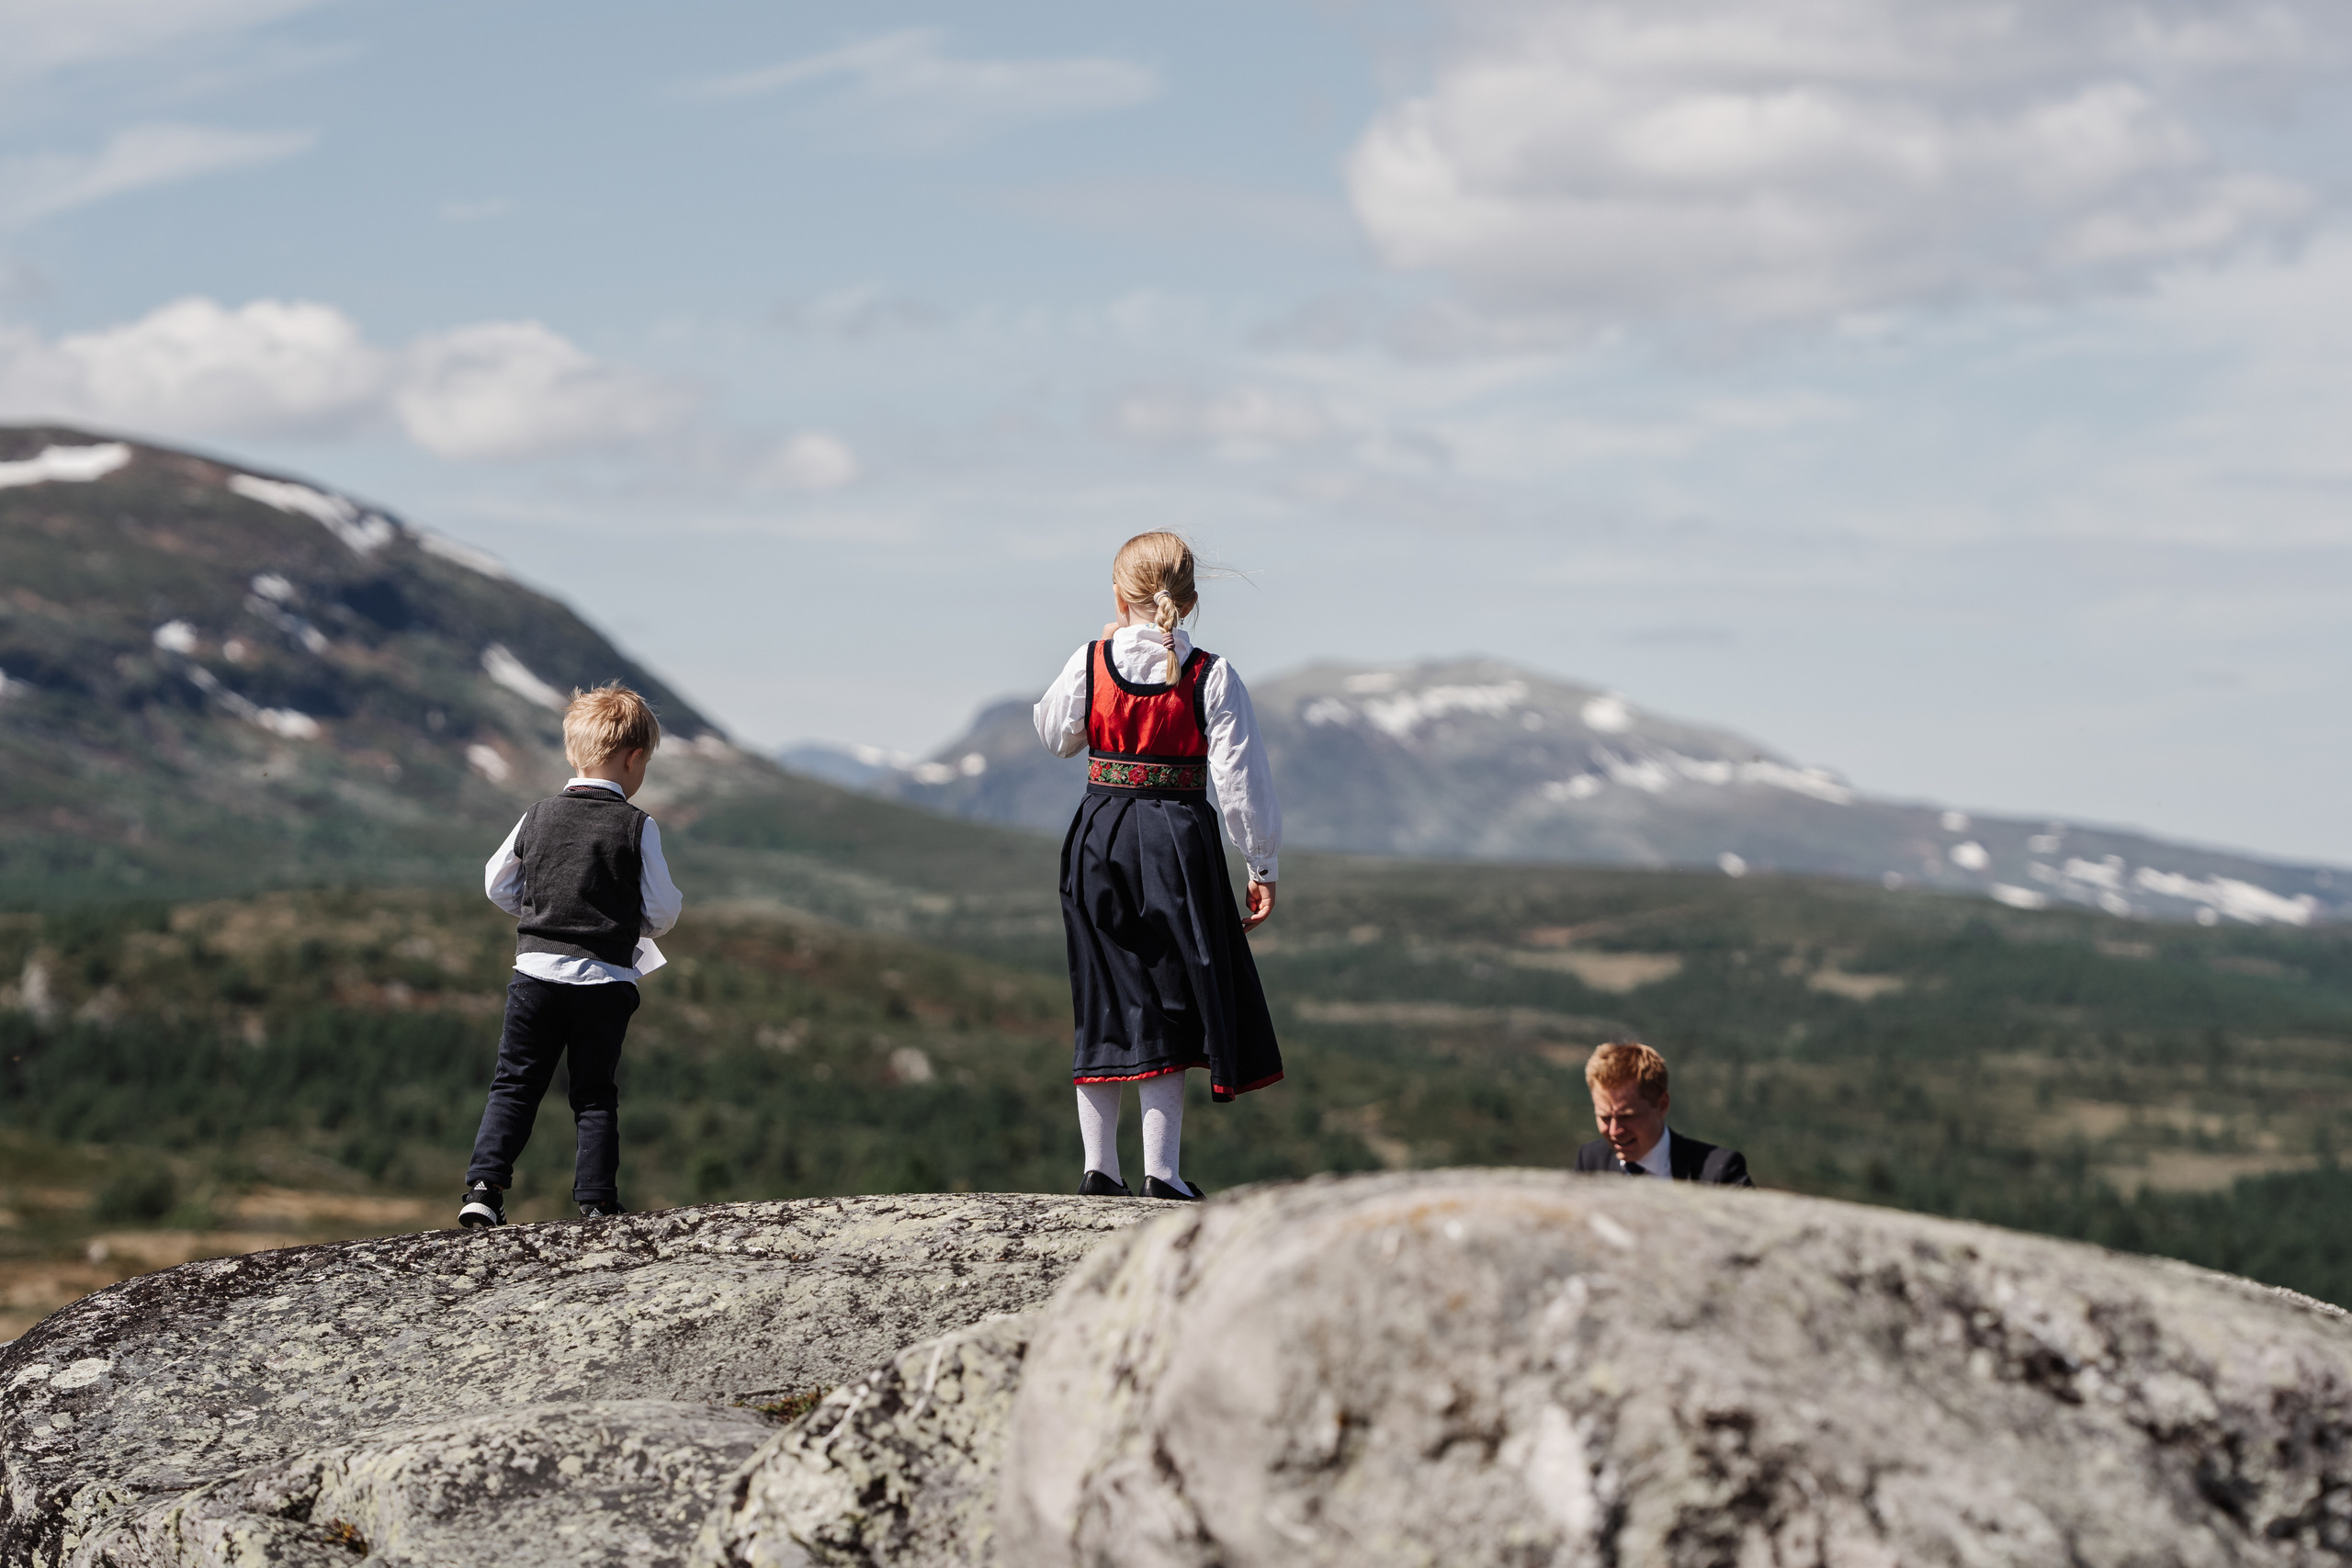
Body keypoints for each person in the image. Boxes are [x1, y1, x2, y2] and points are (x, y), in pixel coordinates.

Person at [1034, 531, 1283, 1201]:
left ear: (1119, 594)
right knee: (1171, 1000)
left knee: (1102, 990)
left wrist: (1104, 640)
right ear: (1191, 599)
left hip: (1100, 833)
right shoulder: (1212, 674)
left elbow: (1056, 733)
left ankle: (1098, 1167)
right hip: (1178, 838)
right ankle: (1162, 1172)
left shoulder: (1090, 661)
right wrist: (1260, 862)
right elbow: (1239, 782)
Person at [458, 683, 682, 1227]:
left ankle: (484, 1190)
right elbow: (663, 909)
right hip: (605, 980)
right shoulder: (637, 825)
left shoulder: (537, 815)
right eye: (644, 764)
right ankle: (597, 1201)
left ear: (572, 753)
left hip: (534, 973)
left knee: (515, 1083)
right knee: (594, 1093)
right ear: (633, 759)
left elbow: (496, 883)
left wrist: (540, 910)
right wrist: (625, 925)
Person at [1573, 1039, 1753, 1185]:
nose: (1614, 1131)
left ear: (1662, 1105)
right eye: (1604, 1117)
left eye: (1627, 1116)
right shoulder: (1590, 1161)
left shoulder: (1719, 1172)